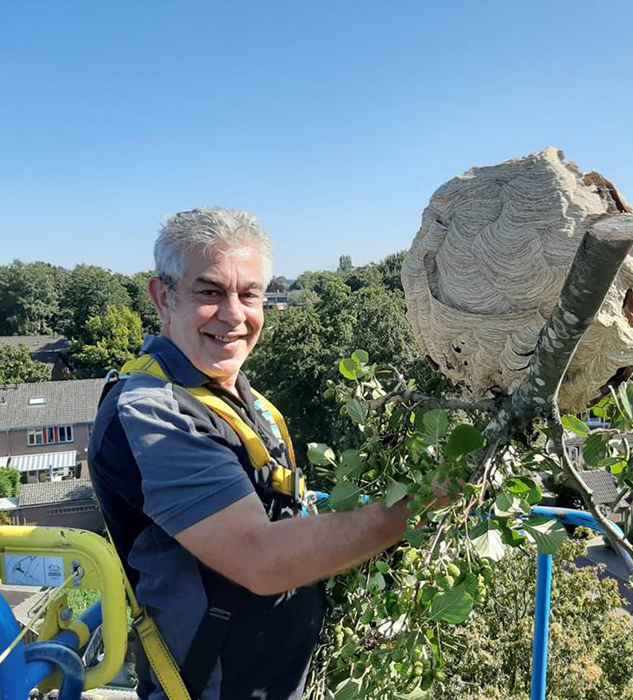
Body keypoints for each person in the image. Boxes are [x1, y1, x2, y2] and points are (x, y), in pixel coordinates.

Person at [88, 208, 414, 700]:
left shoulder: (234, 394)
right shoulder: (153, 412)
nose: (234, 314)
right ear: (164, 298)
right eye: (210, 291)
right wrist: (412, 511)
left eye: (249, 294)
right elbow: (259, 558)